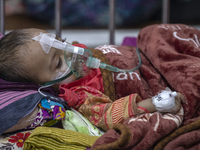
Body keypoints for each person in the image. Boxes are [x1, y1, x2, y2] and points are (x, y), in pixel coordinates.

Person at [0, 28, 185, 132]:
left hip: (148, 58)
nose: (70, 51)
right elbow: (109, 115)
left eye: (59, 40)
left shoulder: (75, 51)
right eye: (57, 63)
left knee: (155, 35)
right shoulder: (79, 95)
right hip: (153, 78)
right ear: (43, 87)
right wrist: (156, 103)